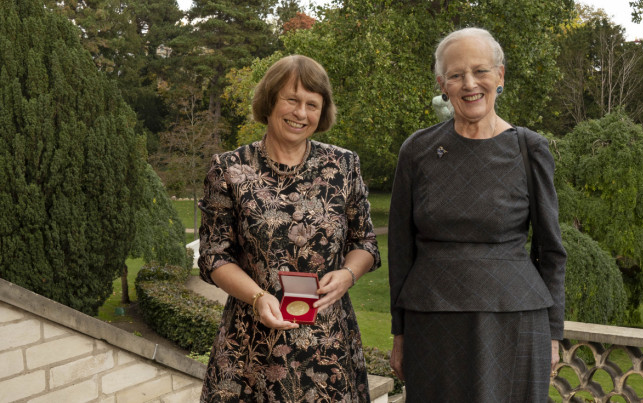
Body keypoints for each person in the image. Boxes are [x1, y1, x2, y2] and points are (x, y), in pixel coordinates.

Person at [388, 27, 566, 401]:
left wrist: (553, 334)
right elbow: (401, 251)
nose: (470, 84)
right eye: (456, 75)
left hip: (516, 324)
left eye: (481, 71)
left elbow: (551, 250)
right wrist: (399, 332)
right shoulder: (417, 150)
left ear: (500, 76)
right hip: (432, 323)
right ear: (443, 84)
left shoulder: (529, 148)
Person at [197, 54, 381, 402]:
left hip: (330, 348)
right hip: (250, 347)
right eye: (292, 100)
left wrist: (348, 274)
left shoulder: (344, 165)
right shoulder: (229, 169)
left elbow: (365, 242)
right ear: (269, 102)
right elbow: (214, 256)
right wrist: (257, 297)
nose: (301, 113)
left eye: (312, 104)